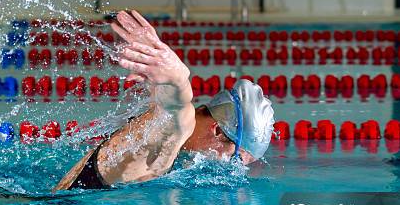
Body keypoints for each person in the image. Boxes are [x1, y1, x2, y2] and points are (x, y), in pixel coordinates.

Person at [53, 10, 274, 191]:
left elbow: (165, 101)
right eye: (236, 160)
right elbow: (179, 105)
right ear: (217, 131)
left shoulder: (164, 136)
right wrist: (179, 78)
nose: (230, 168)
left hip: (58, 201)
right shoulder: (177, 128)